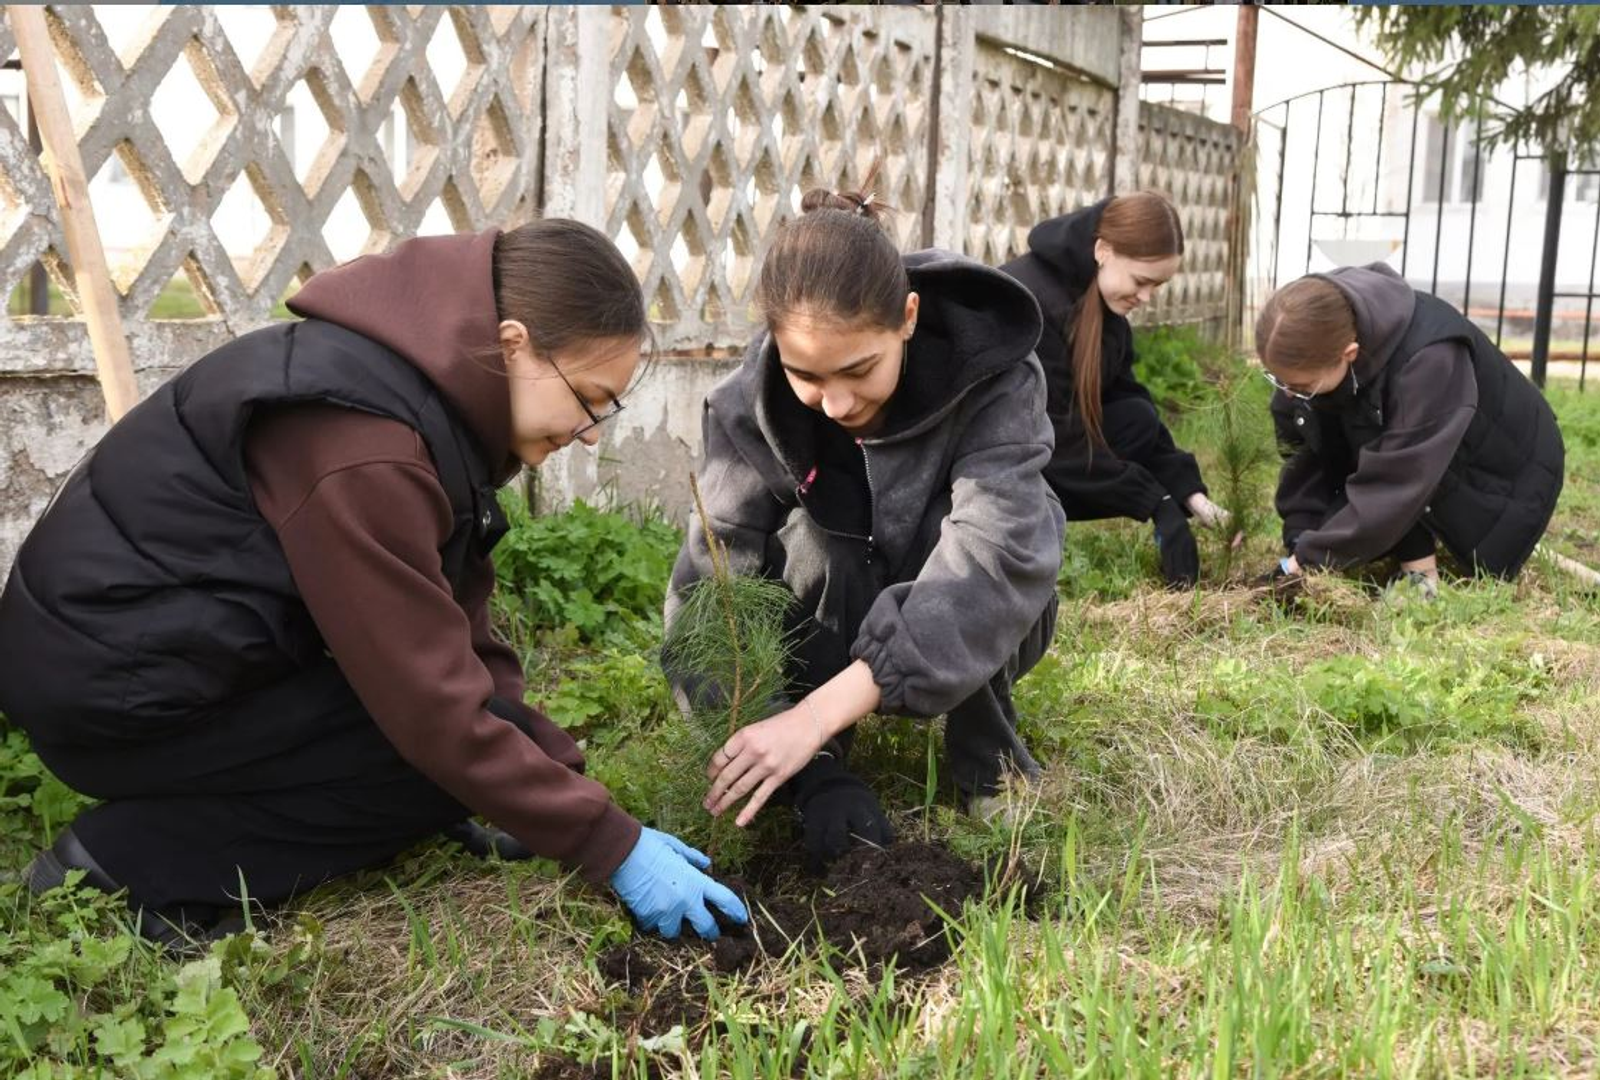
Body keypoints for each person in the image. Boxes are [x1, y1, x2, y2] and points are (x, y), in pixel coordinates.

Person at [0, 222, 747, 945]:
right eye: (588, 398)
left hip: (166, 659)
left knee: (465, 759)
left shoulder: (415, 398)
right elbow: (429, 708)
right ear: (514, 343)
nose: (591, 432)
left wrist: (555, 778)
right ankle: (124, 862)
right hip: (112, 696)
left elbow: (452, 628)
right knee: (427, 766)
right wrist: (606, 843)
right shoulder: (365, 447)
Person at [664, 188, 1066, 867]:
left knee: (981, 535)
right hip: (838, 607)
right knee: (811, 547)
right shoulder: (745, 407)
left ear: (907, 318)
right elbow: (710, 596)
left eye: (858, 370)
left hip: (989, 612)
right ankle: (825, 755)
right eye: (806, 376)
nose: (837, 402)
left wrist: (815, 714)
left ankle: (986, 752)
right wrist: (810, 768)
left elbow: (995, 558)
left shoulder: (994, 374)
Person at [1255, 263, 1565, 591]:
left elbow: (1399, 480)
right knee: (1358, 429)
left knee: (1400, 466)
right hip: (1415, 441)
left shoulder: (1430, 358)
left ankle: (1420, 576)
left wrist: (1314, 556)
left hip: (1501, 463)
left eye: (1300, 385)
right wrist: (1301, 540)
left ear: (1350, 354)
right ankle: (1413, 556)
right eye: (1278, 379)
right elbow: (1306, 455)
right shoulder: (1313, 331)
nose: (1287, 393)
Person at [1001, 192, 1231, 588]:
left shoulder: (1105, 313)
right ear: (1103, 250)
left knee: (1136, 419)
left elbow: (1129, 403)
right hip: (993, 463)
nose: (1146, 298)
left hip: (1043, 448)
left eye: (1156, 287)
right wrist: (1154, 501)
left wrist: (1188, 494)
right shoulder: (1033, 305)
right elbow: (1049, 442)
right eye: (1142, 281)